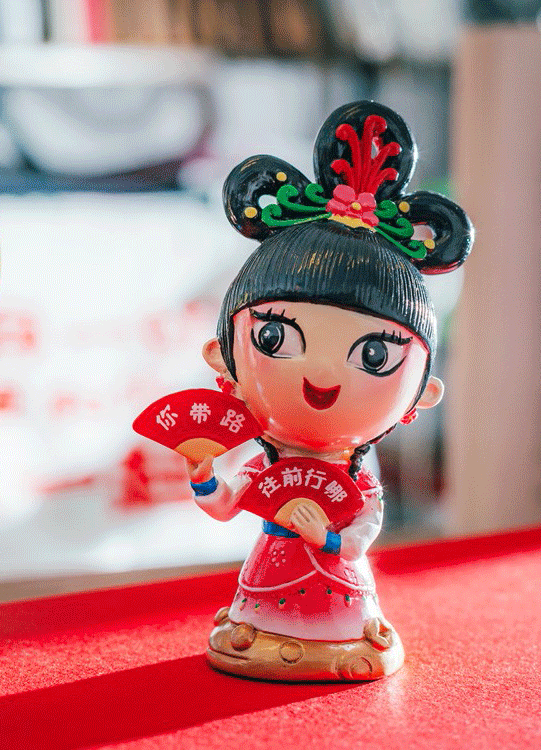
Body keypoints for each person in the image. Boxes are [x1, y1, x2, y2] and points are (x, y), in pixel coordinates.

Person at [187, 101, 472, 680]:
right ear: (222, 356)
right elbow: (224, 502)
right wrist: (203, 472)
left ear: (421, 395)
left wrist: (328, 536)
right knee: (254, 624)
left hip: (339, 587)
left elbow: (364, 529)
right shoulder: (270, 462)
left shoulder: (357, 475)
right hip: (268, 577)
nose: (322, 377)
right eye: (274, 337)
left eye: (375, 356)